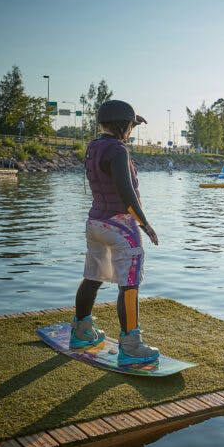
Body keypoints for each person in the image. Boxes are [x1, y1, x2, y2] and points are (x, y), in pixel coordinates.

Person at [70, 99, 160, 366]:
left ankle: (81, 331)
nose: (132, 130)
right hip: (121, 226)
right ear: (122, 125)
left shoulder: (93, 147)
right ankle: (131, 346)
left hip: (95, 223)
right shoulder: (118, 150)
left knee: (92, 276)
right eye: (131, 125)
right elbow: (126, 191)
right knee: (129, 285)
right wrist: (145, 223)